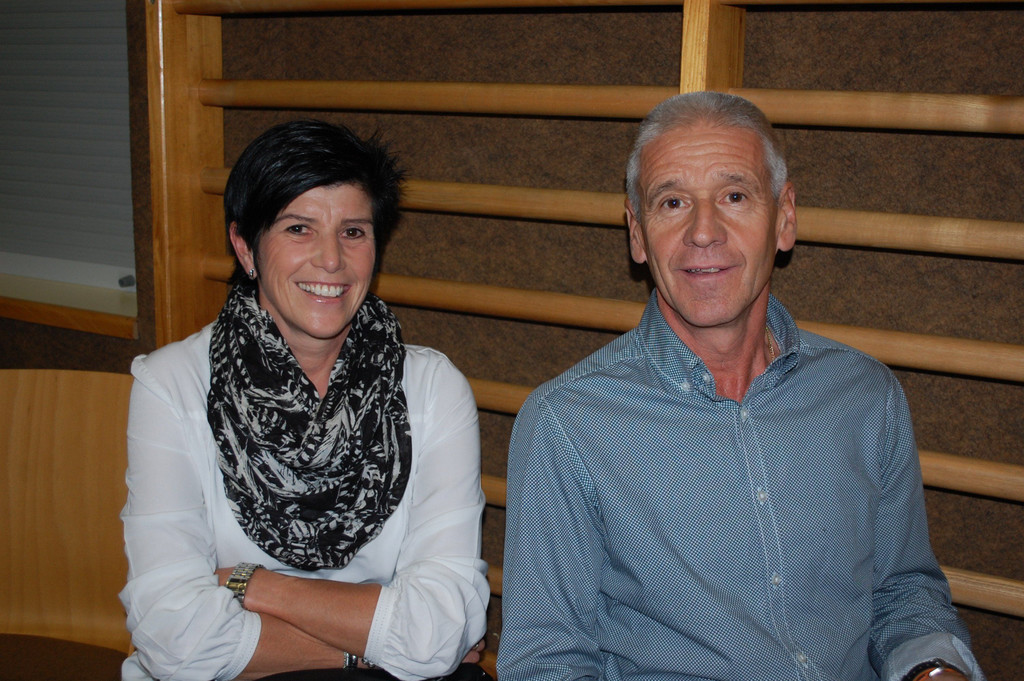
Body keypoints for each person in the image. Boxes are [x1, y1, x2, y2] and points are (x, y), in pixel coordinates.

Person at [498, 92, 984, 681]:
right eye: (673, 202)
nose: (704, 232)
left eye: (734, 196)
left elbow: (904, 592)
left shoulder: (866, 396)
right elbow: (548, 663)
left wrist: (934, 670)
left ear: (784, 218)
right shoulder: (567, 423)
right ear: (637, 234)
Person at [120, 120, 490, 681]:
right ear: (244, 246)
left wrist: (252, 584)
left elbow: (437, 630)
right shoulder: (171, 385)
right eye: (298, 228)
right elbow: (177, 643)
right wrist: (365, 647)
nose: (331, 260)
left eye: (353, 232)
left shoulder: (433, 389)